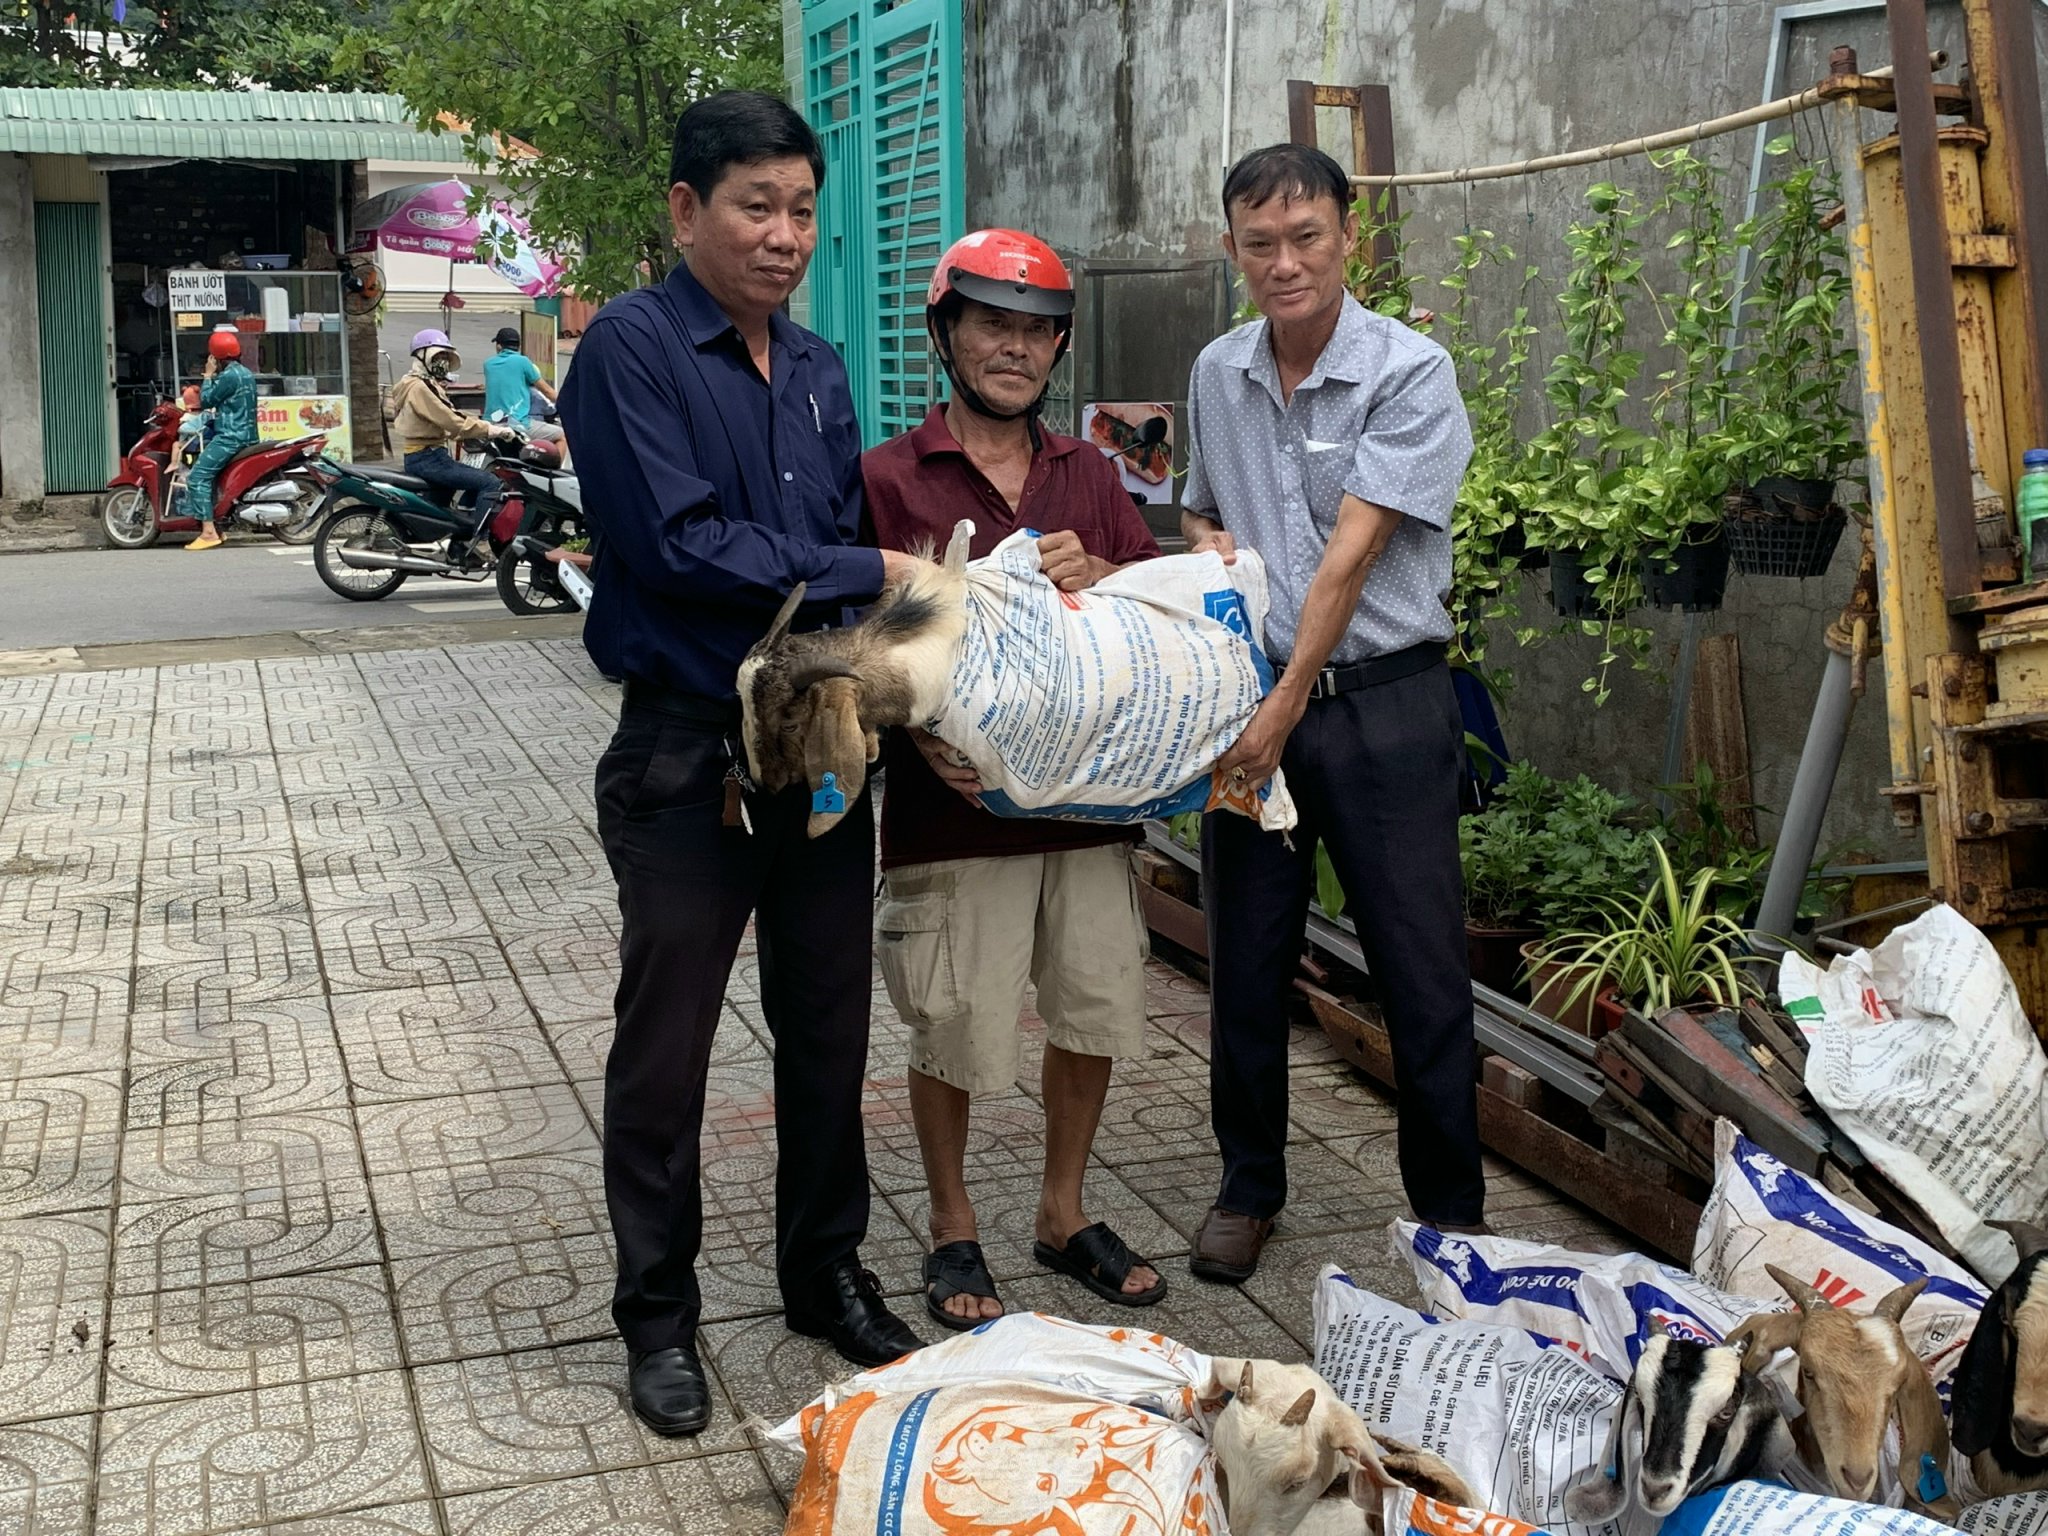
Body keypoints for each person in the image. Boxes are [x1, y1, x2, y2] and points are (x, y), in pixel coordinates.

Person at [556, 89, 925, 1440]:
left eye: (801, 212)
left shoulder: (821, 371)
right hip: (681, 756)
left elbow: (822, 558)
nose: (783, 237)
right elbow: (679, 547)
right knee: (668, 1050)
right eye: (754, 207)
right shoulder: (634, 353)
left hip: (816, 739)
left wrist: (877, 599)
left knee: (831, 1027)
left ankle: (823, 1271)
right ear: (685, 210)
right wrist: (860, 570)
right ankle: (658, 1318)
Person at [1179, 143, 1485, 1284]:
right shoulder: (1217, 372)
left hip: (1382, 705)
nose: (1284, 262)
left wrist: (1279, 711)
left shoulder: (1409, 372)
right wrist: (1209, 556)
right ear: (1232, 251)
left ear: (1346, 236)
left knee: (1417, 968)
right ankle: (1246, 1187)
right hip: (1248, 703)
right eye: (1258, 244)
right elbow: (1200, 513)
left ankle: (1451, 1220)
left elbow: (1349, 565)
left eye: (1305, 237)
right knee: (1244, 959)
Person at [863, 229, 1168, 1331]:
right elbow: (860, 643)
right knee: (953, 1025)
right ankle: (952, 1228)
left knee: (1091, 1012)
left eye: (1037, 330)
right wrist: (917, 702)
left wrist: (1104, 575)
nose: (1015, 347)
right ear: (946, 331)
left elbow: (1154, 609)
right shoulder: (887, 477)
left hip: (1086, 814)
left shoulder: (1086, 473)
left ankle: (1060, 1210)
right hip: (956, 823)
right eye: (993, 322)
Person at [387, 328, 515, 564]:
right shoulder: (419, 387)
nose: (442, 363)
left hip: (427, 455)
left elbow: (450, 417)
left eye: (445, 358)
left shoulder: (421, 384)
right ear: (421, 356)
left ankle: (452, 544)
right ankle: (480, 541)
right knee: (490, 482)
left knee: (452, 502)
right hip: (428, 457)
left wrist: (477, 426)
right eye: (437, 357)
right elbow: (449, 419)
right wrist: (490, 429)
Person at [182, 329, 256, 551]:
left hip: (230, 437)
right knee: (216, 478)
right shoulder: (245, 373)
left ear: (216, 357)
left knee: (198, 476)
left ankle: (208, 532)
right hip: (247, 435)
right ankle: (219, 525)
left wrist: (207, 375)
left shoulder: (227, 376)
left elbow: (206, 400)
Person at [483, 326, 566, 447]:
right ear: (518, 346)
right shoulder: (524, 362)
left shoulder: (488, 364)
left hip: (490, 423)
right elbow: (547, 391)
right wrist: (568, 407)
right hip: (518, 423)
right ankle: (555, 466)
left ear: (499, 346)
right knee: (561, 435)